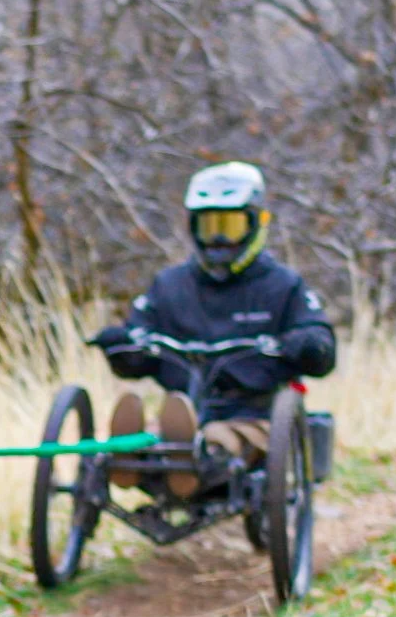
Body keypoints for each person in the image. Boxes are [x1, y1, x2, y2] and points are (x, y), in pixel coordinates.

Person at [89, 162, 336, 490]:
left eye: (229, 226)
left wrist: (308, 344)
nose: (218, 239)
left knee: (217, 442)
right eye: (209, 227)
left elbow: (321, 345)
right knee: (161, 438)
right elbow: (137, 343)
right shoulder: (169, 285)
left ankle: (191, 460)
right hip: (185, 410)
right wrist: (121, 346)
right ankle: (136, 454)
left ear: (255, 224)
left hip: (256, 419)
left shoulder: (283, 285)